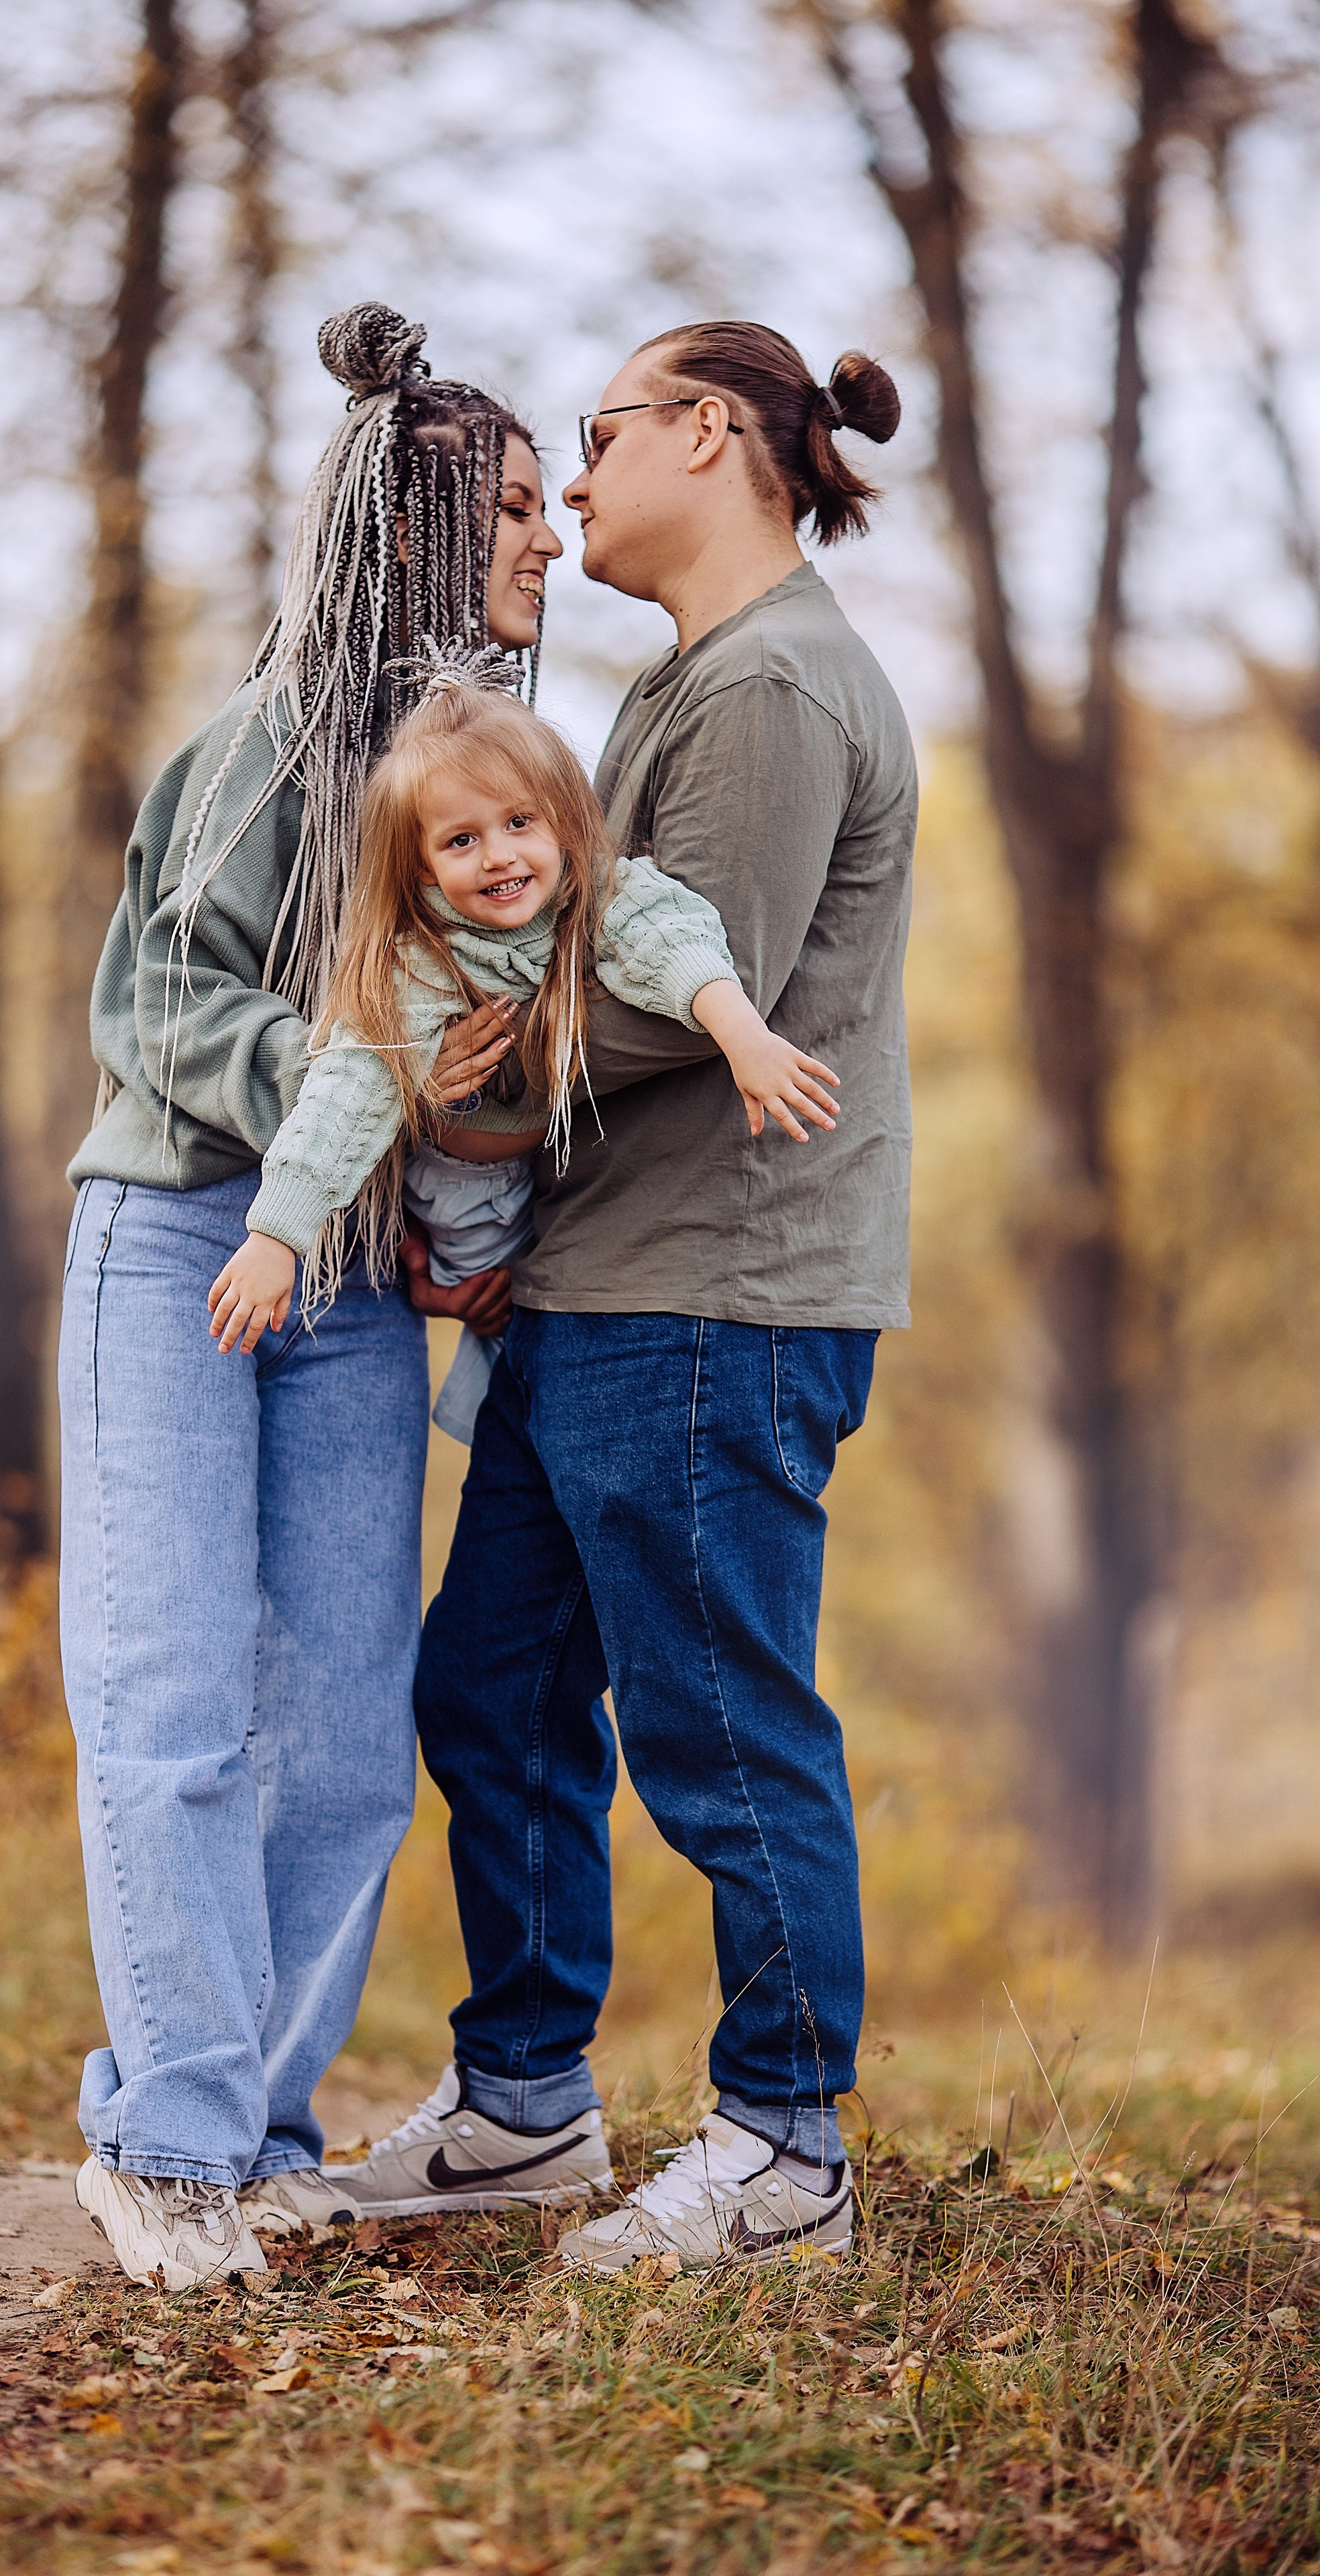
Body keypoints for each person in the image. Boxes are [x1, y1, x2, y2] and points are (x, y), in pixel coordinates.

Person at [334, 321, 916, 2267]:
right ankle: (524, 2106)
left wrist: (446, 1067)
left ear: (706, 434)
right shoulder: (698, 680)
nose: (569, 486)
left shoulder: (769, 690)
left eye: (592, 439)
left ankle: (783, 2148)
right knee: (491, 1688)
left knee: (717, 1723)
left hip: (716, 1300)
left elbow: (681, 993)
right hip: (599, 1297)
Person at [58, 301, 557, 2292]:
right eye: (515, 511)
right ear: (423, 536)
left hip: (356, 1287)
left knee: (343, 1718)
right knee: (170, 1688)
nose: (550, 538)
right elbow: (149, 1003)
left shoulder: (484, 788)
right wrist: (340, 1098)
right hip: (182, 1239)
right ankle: (162, 2141)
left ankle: (257, 2131)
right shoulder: (266, 752)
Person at [205, 675, 842, 1462]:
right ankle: (498, 1428)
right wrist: (277, 1236)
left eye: (518, 822)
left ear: (562, 821)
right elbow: (349, 1089)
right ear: (422, 868)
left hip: (549, 1176)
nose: (499, 856)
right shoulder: (421, 961)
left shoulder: (590, 895)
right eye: (461, 840)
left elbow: (666, 936)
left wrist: (743, 1037)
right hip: (459, 1192)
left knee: (537, 1306)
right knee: (498, 1316)